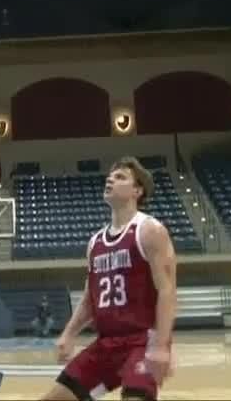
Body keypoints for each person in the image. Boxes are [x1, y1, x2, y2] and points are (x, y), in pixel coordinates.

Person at [43, 157, 178, 401]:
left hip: (142, 341)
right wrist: (69, 333)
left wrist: (161, 345)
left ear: (137, 190)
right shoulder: (95, 242)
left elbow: (167, 291)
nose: (110, 179)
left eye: (120, 177)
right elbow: (89, 299)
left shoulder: (149, 231)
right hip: (106, 344)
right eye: (110, 176)